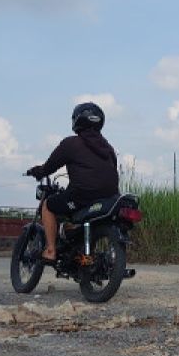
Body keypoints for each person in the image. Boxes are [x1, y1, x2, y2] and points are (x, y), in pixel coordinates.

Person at [25, 102, 119, 263]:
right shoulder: (108, 148)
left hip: (82, 196)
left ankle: (51, 250)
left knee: (48, 205)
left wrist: (36, 171)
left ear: (77, 121)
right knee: (72, 207)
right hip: (110, 197)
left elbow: (49, 167)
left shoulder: (71, 144)